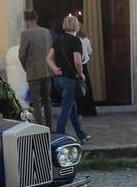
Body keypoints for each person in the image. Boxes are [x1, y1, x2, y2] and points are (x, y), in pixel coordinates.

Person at [46, 14, 91, 142]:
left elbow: (48, 58)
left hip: (57, 78)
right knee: (66, 107)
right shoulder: (76, 41)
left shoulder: (58, 40)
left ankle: (81, 135)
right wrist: (81, 74)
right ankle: (59, 136)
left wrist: (54, 68)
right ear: (76, 26)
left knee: (72, 106)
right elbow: (77, 61)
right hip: (69, 78)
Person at [18, 9, 53, 129]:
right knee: (47, 100)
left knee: (36, 101)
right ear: (36, 17)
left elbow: (21, 54)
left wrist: (26, 67)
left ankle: (40, 127)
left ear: (25, 20)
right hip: (47, 70)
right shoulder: (46, 32)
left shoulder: (25, 33)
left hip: (33, 71)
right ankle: (50, 126)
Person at [78, 24, 98, 116]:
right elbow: (90, 51)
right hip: (84, 65)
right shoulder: (86, 40)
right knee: (86, 88)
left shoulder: (75, 40)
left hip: (76, 65)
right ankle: (89, 110)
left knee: (78, 88)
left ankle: (79, 111)